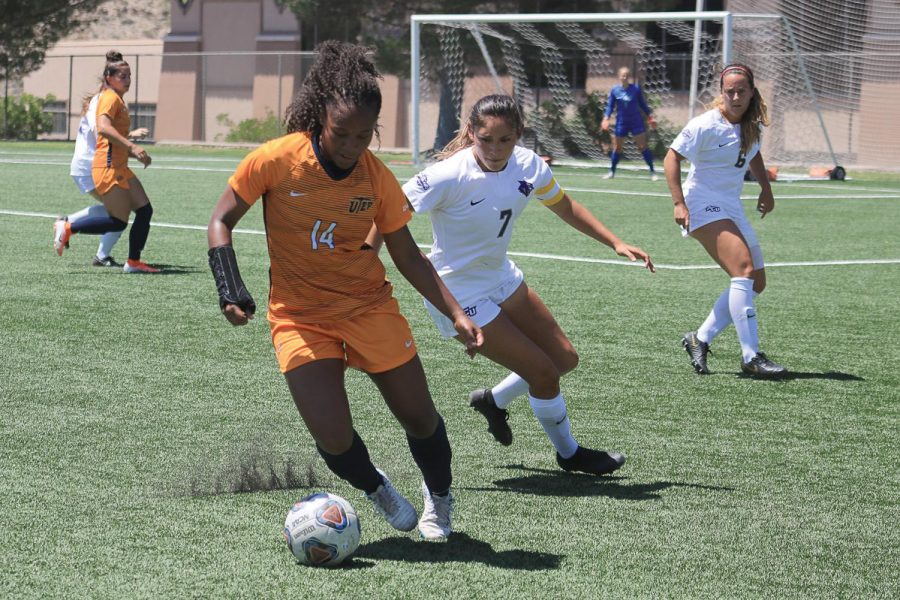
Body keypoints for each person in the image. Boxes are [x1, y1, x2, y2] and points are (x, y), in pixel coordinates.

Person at [207, 41, 482, 541]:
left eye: (364, 135)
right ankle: (377, 487)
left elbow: (408, 255)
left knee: (420, 417)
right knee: (332, 438)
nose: (352, 145)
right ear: (318, 118)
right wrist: (230, 287)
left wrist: (456, 312)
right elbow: (221, 220)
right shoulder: (275, 160)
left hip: (368, 307)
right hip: (299, 315)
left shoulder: (376, 178)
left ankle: (439, 500)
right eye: (341, 133)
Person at [402, 94, 654, 476]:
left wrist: (614, 241)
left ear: (519, 135)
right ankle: (569, 454)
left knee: (564, 359)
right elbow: (389, 214)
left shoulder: (528, 165)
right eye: (485, 139)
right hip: (457, 292)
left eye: (505, 140)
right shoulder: (448, 174)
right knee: (543, 373)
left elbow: (565, 205)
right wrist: (364, 254)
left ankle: (493, 401)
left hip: (501, 277)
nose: (495, 149)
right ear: (471, 133)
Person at [664, 63, 787, 379]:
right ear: (722, 93)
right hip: (701, 204)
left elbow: (753, 154)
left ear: (751, 92)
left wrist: (765, 188)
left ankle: (699, 338)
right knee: (743, 270)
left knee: (756, 282)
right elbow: (672, 157)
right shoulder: (706, 124)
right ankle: (751, 357)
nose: (735, 96)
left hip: (731, 206)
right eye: (729, 91)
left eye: (741, 91)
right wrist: (678, 202)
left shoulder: (751, 126)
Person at [53, 50, 159, 273]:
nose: (128, 81)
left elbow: (109, 136)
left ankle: (133, 261)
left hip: (117, 165)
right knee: (118, 220)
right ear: (109, 77)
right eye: (123, 76)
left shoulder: (112, 98)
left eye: (130, 76)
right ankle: (70, 226)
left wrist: (133, 150)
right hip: (103, 165)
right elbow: (103, 130)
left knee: (144, 210)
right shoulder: (108, 98)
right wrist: (132, 146)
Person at [601, 66, 658, 181]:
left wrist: (650, 117)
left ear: (629, 77)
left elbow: (643, 105)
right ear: (619, 77)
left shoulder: (635, 89)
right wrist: (606, 118)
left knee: (642, 146)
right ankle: (612, 172)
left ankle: (653, 172)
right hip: (622, 122)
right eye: (623, 75)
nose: (625, 77)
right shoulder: (615, 90)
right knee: (617, 148)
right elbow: (610, 106)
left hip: (636, 121)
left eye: (627, 75)